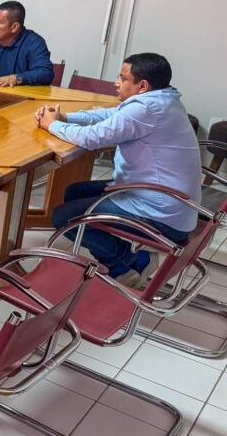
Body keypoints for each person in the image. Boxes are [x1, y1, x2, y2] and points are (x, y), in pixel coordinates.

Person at [38, 53, 201, 286]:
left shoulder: (147, 108)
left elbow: (92, 138)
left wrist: (52, 124)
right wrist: (65, 117)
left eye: (123, 78)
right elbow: (111, 115)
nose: (116, 83)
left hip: (161, 215)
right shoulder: (163, 100)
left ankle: (125, 263)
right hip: (164, 201)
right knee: (75, 192)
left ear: (142, 86)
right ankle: (131, 258)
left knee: (63, 217)